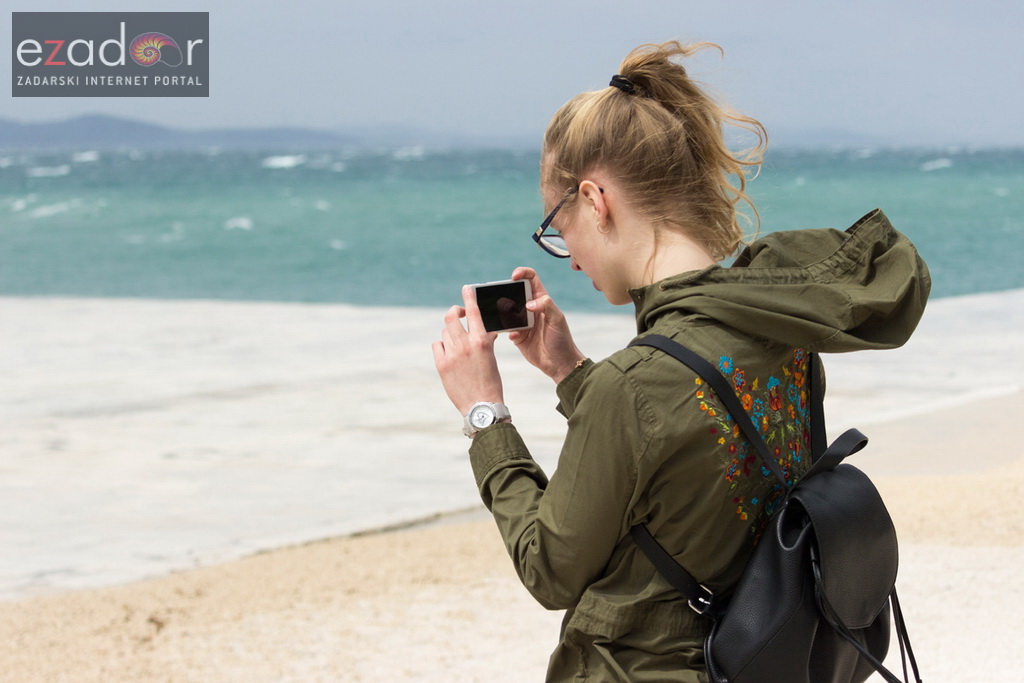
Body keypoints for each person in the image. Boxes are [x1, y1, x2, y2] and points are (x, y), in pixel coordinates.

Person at [432, 41, 929, 682]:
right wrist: (568, 371)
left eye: (557, 224)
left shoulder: (634, 385)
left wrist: (485, 414)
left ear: (595, 199)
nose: (569, 252)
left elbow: (548, 568)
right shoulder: (778, 329)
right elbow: (679, 464)